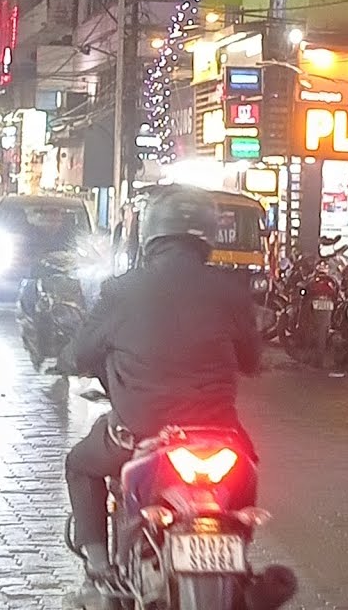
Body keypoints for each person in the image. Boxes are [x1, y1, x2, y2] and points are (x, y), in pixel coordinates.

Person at [64, 185, 261, 588]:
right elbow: (252, 361)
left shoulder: (120, 289)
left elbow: (81, 354)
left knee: (80, 465)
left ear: (151, 234)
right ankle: (240, 565)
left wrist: (70, 358)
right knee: (248, 469)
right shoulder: (231, 292)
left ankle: (99, 566)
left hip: (139, 432)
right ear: (205, 239)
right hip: (219, 437)